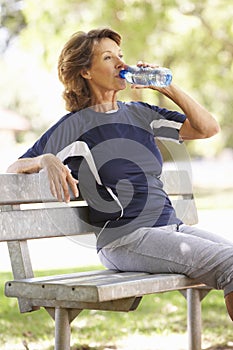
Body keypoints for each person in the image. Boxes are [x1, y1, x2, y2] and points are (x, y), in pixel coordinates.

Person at [7, 27, 233, 320]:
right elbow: (14, 168)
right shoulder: (75, 125)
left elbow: (207, 129)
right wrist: (47, 158)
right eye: (108, 57)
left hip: (170, 229)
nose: (121, 64)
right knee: (230, 263)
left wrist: (168, 88)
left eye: (121, 56)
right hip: (126, 239)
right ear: (86, 72)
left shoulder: (141, 113)